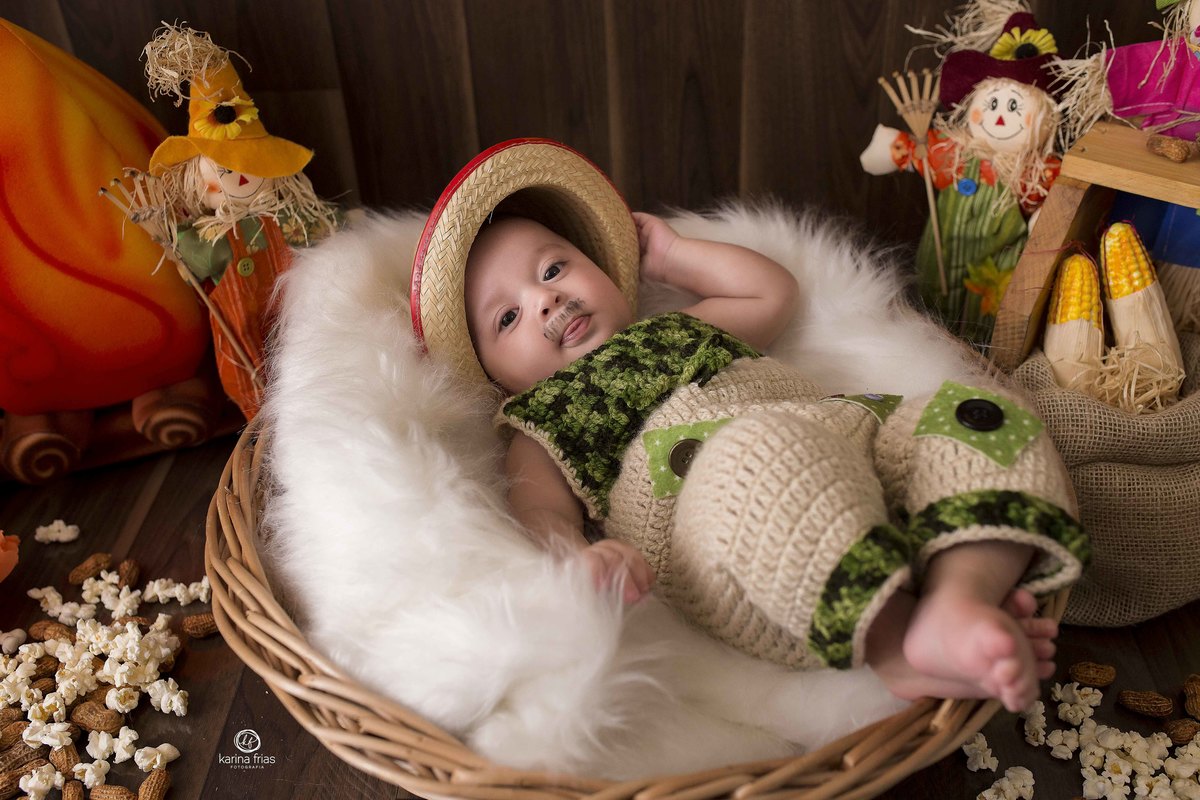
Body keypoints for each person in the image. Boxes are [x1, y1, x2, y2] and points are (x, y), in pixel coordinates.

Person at [413, 139, 1086, 715]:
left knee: (973, 414)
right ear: (493, 374)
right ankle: (894, 640)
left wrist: (673, 256)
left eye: (554, 268)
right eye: (508, 318)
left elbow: (771, 292)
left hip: (849, 437)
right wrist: (580, 555)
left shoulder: (674, 330)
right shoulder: (542, 421)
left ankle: (957, 596)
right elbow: (537, 510)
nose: (546, 299)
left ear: (602, 269)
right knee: (760, 455)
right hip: (730, 521)